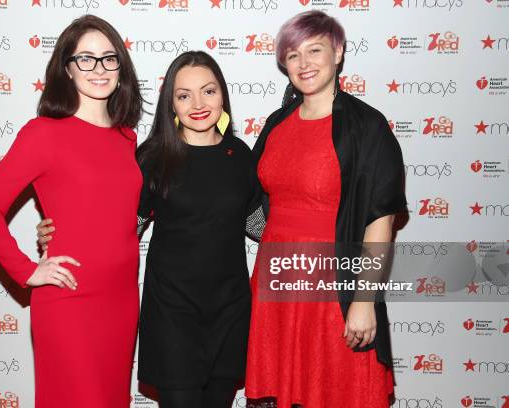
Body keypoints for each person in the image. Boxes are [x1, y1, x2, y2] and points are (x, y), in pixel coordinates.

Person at [38, 51, 265, 408]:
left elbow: (258, 224)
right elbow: (122, 223)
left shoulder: (240, 155)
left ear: (223, 95)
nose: (198, 104)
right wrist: (63, 229)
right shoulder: (153, 157)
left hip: (231, 310)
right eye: (183, 95)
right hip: (173, 313)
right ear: (170, 104)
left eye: (208, 91)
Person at [0, 15, 143, 407]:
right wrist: (27, 269)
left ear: (121, 67)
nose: (98, 69)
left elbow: (112, 212)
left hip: (121, 302)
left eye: (108, 58)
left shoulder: (127, 137)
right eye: (85, 58)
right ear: (66, 67)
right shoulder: (44, 133)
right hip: (68, 301)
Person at [245, 11, 406, 408]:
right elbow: (249, 202)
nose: (304, 64)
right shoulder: (276, 123)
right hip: (276, 283)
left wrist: (363, 302)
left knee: (336, 391)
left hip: (334, 288)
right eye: (293, 55)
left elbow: (379, 221)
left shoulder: (367, 127)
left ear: (338, 52)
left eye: (314, 50)